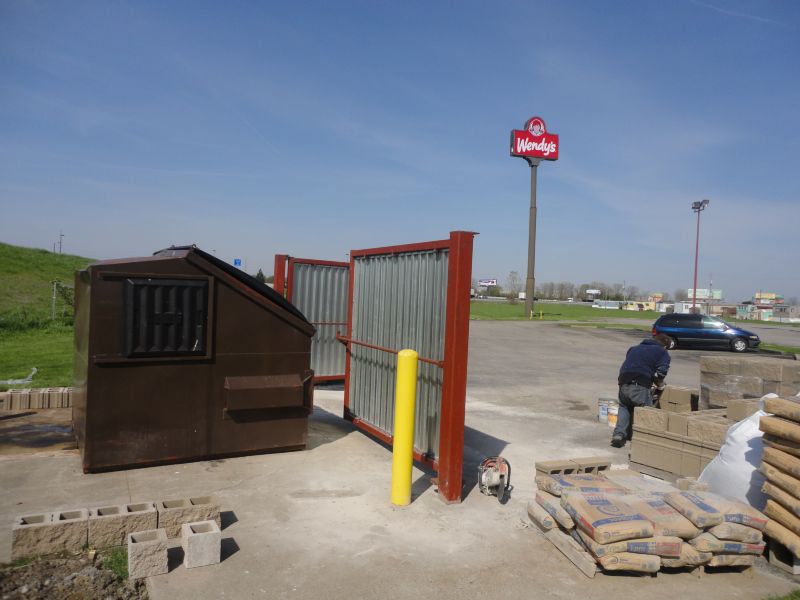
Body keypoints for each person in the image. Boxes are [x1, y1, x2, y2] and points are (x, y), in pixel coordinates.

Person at [611, 333, 672, 448]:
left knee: (625, 407)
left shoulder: (634, 348)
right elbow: (661, 371)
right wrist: (660, 384)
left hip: (623, 381)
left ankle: (618, 436)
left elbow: (636, 365)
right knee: (646, 411)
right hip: (639, 384)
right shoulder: (662, 352)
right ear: (665, 346)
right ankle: (644, 441)